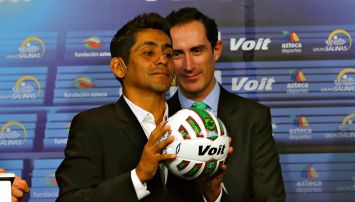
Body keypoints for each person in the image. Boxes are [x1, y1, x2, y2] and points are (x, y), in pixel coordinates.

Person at [55, 13, 205, 201]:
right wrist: (138, 176)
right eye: (149, 53)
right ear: (119, 66)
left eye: (168, 54)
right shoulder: (94, 125)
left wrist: (213, 193)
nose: (163, 60)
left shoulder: (194, 125)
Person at [166, 7, 286, 202]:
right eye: (177, 54)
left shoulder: (253, 118)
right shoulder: (157, 119)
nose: (188, 66)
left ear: (216, 50)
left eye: (197, 50)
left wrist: (216, 196)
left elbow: (270, 198)